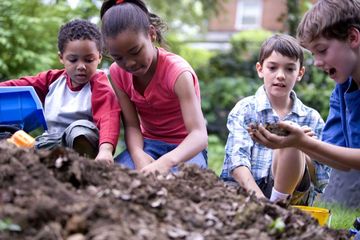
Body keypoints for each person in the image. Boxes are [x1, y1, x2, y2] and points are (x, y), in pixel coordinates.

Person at [248, 0, 360, 171]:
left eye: (322, 50)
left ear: (353, 37)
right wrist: (297, 143)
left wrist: (302, 142)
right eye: (313, 54)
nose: (316, 63)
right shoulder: (342, 90)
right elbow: (341, 160)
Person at [220, 34, 331, 205]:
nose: (280, 75)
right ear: (260, 69)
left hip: (290, 196)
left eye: (289, 69)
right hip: (246, 189)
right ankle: (271, 209)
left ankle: (277, 206)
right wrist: (260, 201)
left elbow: (322, 178)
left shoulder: (311, 118)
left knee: (293, 138)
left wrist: (304, 146)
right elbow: (236, 161)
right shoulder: (246, 109)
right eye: (272, 68)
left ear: (300, 73)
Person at [99, 0, 208, 175]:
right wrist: (137, 155)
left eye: (135, 51)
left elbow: (199, 135)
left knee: (181, 185)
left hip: (185, 150)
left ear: (151, 34)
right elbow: (133, 126)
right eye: (118, 57)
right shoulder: (117, 73)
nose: (130, 63)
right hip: (148, 146)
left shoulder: (178, 73)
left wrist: (166, 162)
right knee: (112, 178)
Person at [0, 19, 121, 165]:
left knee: (79, 129)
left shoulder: (99, 84)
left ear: (99, 58)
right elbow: (19, 86)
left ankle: (80, 161)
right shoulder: (53, 79)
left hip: (82, 139)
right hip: (50, 142)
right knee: (14, 139)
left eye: (89, 60)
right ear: (61, 58)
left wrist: (106, 150)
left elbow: (108, 116)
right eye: (73, 60)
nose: (81, 66)